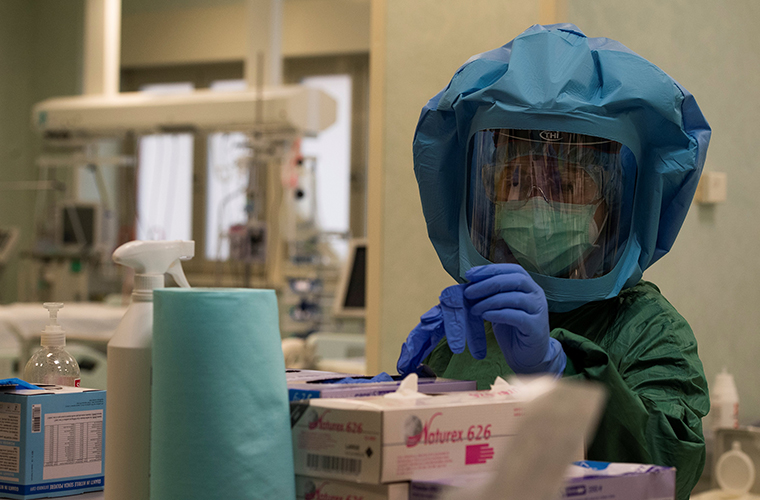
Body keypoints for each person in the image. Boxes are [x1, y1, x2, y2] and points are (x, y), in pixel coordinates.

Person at [396, 24, 711, 500]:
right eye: (515, 182)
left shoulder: (648, 330)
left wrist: (558, 372)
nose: (537, 206)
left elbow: (671, 471)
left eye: (566, 186)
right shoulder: (474, 327)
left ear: (616, 205)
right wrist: (395, 399)